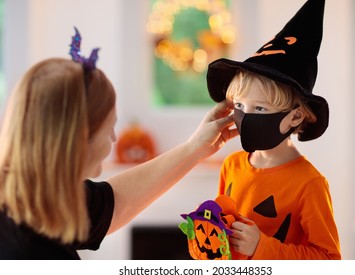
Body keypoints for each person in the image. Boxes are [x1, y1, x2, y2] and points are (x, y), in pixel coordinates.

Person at [0, 28, 238, 259]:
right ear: (82, 137)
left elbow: (113, 204)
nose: (114, 138)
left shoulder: (42, 197)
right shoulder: (28, 252)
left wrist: (196, 147)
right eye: (109, 126)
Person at [205, 0, 341, 259]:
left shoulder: (309, 184)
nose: (245, 116)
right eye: (241, 105)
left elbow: (329, 259)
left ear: (295, 116)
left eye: (260, 109)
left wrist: (262, 247)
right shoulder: (231, 165)